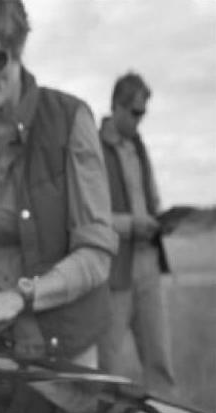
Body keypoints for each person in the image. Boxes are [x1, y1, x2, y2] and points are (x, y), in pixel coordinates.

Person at [0, 0, 118, 367]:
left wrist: (21, 297)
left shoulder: (70, 119)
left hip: (62, 350)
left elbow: (96, 254)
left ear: (17, 50)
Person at [97, 73, 175, 393]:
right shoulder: (94, 149)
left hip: (148, 267)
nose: (139, 120)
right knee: (106, 367)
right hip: (115, 273)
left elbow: (151, 198)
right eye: (135, 112)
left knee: (160, 363)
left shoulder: (139, 146)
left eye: (143, 113)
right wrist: (131, 225)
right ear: (116, 106)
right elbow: (90, 217)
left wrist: (161, 220)